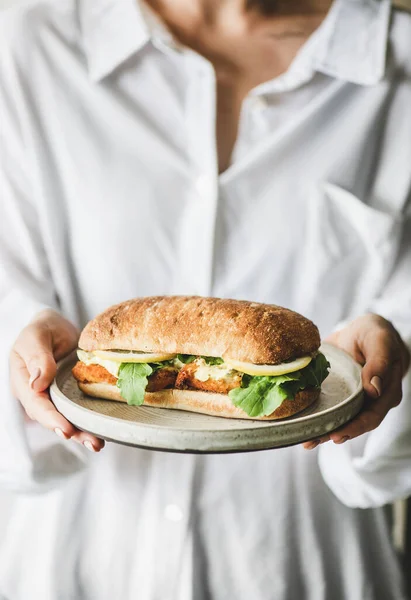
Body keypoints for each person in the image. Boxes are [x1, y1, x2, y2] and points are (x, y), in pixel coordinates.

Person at [0, 0, 410, 598]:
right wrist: (24, 341)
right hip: (77, 561)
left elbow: (383, 463)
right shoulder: (30, 44)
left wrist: (394, 350)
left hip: (302, 567)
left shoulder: (397, 66)